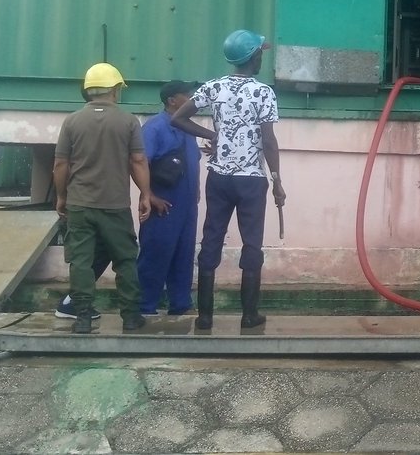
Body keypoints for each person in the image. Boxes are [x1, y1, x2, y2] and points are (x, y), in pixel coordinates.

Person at [172, 29, 285, 330]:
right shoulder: (263, 92)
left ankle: (205, 317)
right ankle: (249, 315)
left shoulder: (214, 87)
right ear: (253, 56)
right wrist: (277, 179)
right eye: (260, 51)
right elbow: (269, 141)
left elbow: (178, 118)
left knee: (211, 239)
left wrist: (213, 135)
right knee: (252, 243)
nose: (263, 55)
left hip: (219, 177)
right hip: (251, 180)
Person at [53, 62, 158, 334]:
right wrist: (145, 195)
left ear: (88, 90)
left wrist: (61, 196)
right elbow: (137, 160)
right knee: (125, 260)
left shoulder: (72, 121)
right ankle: (131, 317)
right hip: (115, 206)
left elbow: (61, 165)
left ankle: (84, 317)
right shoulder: (127, 121)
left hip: (80, 204)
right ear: (114, 90)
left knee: (81, 262)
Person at [136, 80, 202, 315]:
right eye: (187, 95)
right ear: (171, 100)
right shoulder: (154, 128)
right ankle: (145, 306)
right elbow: (140, 163)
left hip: (187, 206)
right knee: (156, 252)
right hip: (163, 202)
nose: (192, 98)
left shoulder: (187, 127)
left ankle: (180, 304)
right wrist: (149, 196)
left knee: (183, 254)